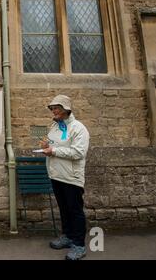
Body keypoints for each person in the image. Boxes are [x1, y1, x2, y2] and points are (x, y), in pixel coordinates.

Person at [40, 95, 90, 260]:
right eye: (52, 108)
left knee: (75, 211)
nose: (54, 111)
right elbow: (54, 146)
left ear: (66, 109)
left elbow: (78, 152)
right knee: (64, 209)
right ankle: (68, 236)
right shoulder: (54, 126)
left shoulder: (78, 128)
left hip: (71, 178)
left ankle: (79, 245)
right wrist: (47, 146)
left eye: (57, 108)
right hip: (56, 175)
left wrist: (53, 151)